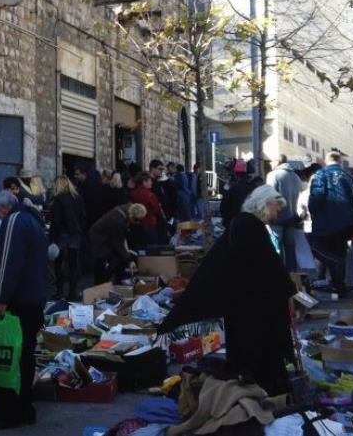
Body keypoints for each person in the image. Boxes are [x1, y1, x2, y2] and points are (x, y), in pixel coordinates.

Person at [159, 186, 296, 396]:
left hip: (243, 302)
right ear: (265, 204)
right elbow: (266, 266)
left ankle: (255, 385)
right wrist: (287, 288)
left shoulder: (243, 223)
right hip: (250, 304)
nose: (278, 214)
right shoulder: (250, 226)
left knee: (247, 350)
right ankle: (260, 389)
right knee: (257, 350)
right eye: (277, 208)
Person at [0, 190, 48, 430]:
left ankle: (8, 412)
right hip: (34, 299)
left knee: (8, 356)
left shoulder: (13, 222)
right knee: (26, 355)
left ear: (2, 209)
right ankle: (25, 408)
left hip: (19, 301)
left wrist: (0, 298)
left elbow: (7, 264)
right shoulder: (34, 220)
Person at [309, 151, 353, 295]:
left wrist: (312, 210)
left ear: (326, 160)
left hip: (325, 222)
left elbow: (316, 196)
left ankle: (321, 283)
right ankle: (339, 286)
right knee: (339, 252)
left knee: (320, 250)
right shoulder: (349, 176)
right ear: (340, 161)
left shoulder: (321, 174)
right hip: (345, 223)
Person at [49, 176, 86, 300]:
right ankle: (72, 293)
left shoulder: (58, 199)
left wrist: (52, 236)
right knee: (73, 265)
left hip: (62, 234)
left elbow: (56, 220)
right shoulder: (78, 197)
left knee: (59, 264)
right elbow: (83, 216)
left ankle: (60, 292)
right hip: (75, 233)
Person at [90, 203, 147, 284]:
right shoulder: (119, 221)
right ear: (131, 216)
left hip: (104, 236)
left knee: (117, 259)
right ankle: (102, 284)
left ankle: (115, 281)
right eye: (136, 220)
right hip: (100, 239)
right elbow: (118, 244)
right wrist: (129, 260)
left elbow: (120, 240)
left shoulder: (125, 211)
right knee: (110, 261)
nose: (137, 223)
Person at [266, 155, 303, 270]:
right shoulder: (296, 177)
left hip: (277, 218)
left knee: (276, 249)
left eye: (272, 161)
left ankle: (278, 277)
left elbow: (270, 197)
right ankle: (293, 277)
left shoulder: (273, 175)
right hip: (292, 218)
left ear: (277, 161)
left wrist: (268, 217)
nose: (270, 164)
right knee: (290, 249)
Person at [130, 172, 165, 246]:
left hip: (137, 224)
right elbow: (157, 209)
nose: (151, 183)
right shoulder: (150, 195)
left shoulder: (133, 193)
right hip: (150, 223)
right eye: (150, 181)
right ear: (144, 182)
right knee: (152, 247)